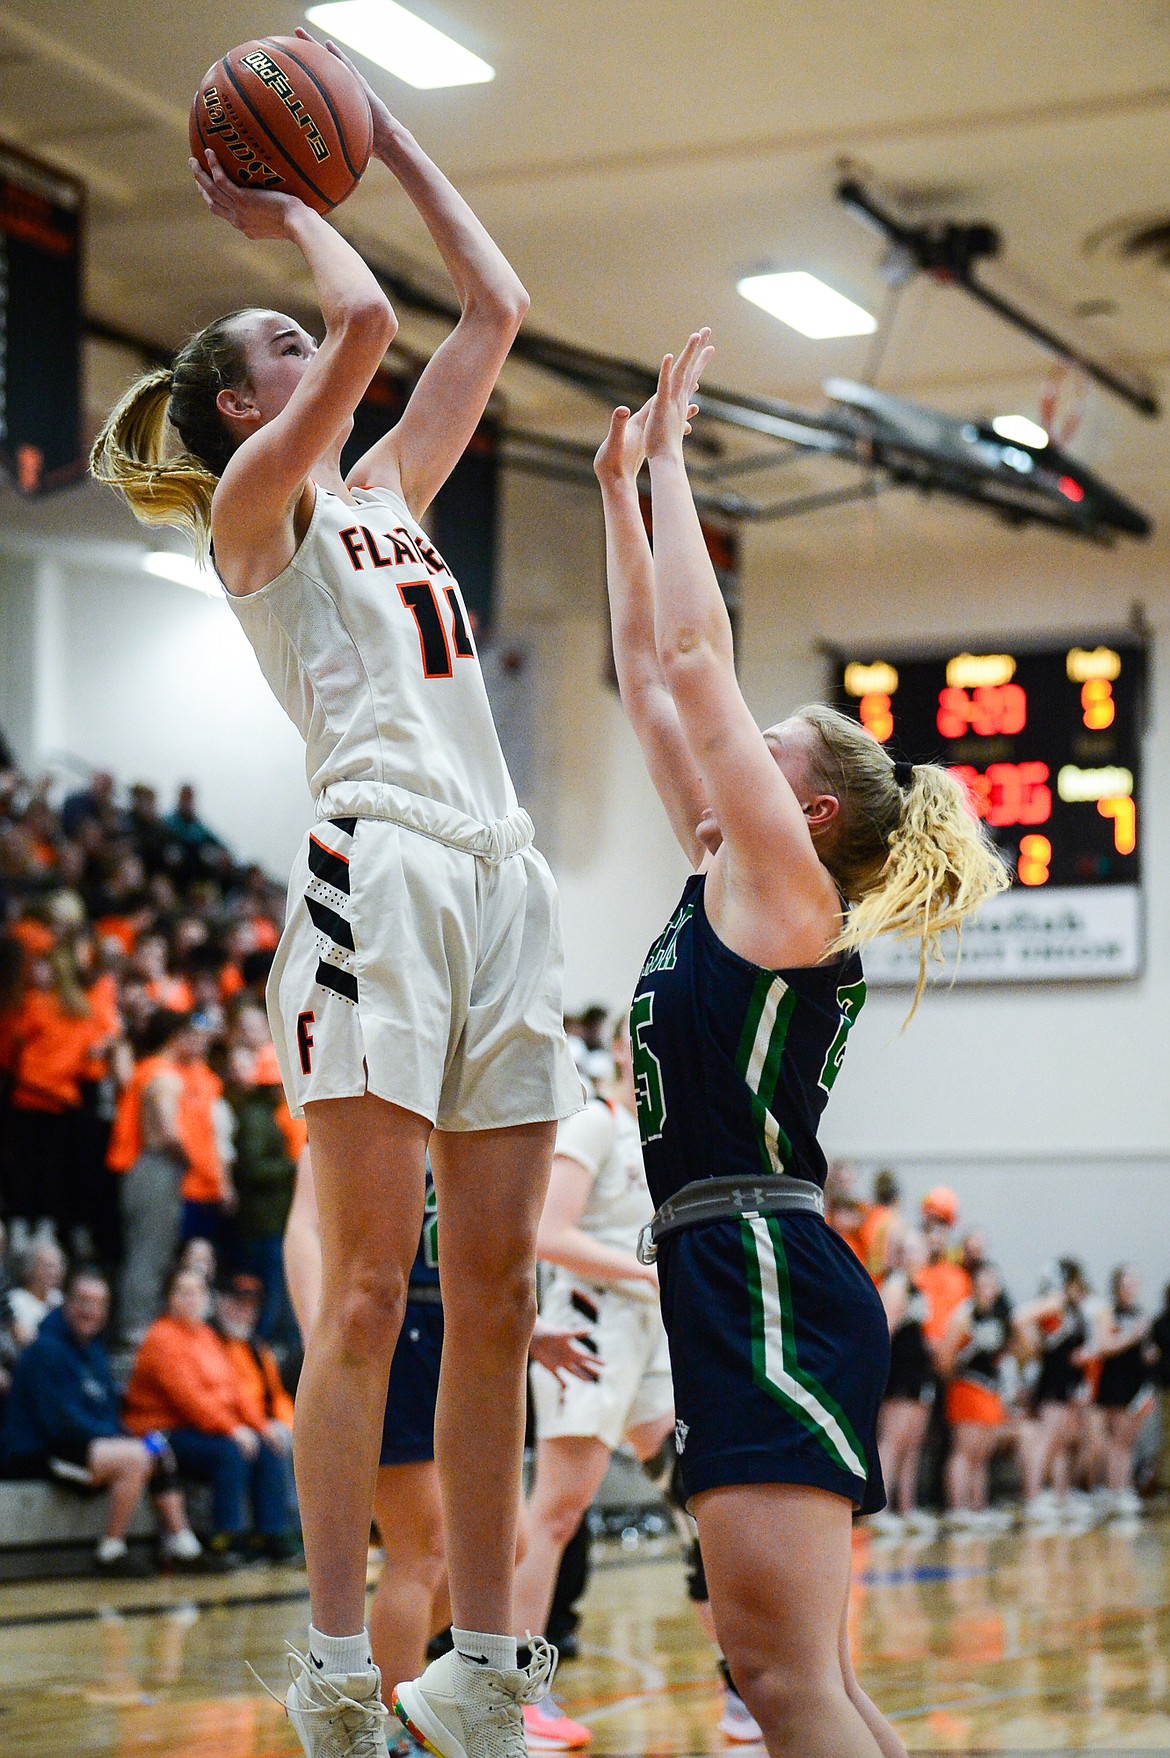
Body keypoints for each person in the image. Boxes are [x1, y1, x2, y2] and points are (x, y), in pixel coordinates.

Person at [92, 35, 582, 1751]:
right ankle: (327, 1662)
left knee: (502, 1295)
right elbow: (370, 326)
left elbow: (492, 309)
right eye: (277, 351)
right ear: (242, 401)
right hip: (374, 861)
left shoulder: (386, 496)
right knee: (370, 1288)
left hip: (501, 869)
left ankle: (491, 1656)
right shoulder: (258, 510)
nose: (317, 349)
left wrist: (394, 144)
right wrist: (298, 205)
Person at [594, 330, 1007, 1758]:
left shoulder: (788, 892)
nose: (731, 745)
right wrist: (614, 499)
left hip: (756, 1265)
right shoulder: (724, 873)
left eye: (764, 744)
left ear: (812, 809)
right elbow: (654, 683)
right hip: (734, 1263)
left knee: (780, 1686)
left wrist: (672, 467)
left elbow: (696, 653)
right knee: (804, 1679)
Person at [282, 1151, 599, 1738]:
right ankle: (389, 1730)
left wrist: (528, 1331)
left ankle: (381, 1685)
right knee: (423, 1549)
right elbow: (303, 1226)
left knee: (509, 1542)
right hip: (390, 1333)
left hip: (455, 1331)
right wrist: (322, 1339)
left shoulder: (468, 1098)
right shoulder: (369, 1093)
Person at [515, 1015, 674, 1750]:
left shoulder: (664, 1139)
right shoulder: (595, 1122)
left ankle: (748, 1679)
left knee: (691, 1486)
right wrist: (647, 1272)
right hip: (590, 1321)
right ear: (620, 1048)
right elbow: (548, 1232)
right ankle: (508, 1688)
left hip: (645, 1330)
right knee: (556, 1511)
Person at [0, 1268, 210, 1575]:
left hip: (83, 1444)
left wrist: (123, 1436)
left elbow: (107, 1410)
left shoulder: (95, 1350)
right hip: (39, 1451)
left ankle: (182, 1544)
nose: (90, 1311)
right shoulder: (46, 1349)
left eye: (98, 1303)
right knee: (137, 1455)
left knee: (158, 1447)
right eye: (83, 1301)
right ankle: (111, 1551)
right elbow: (61, 1425)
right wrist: (119, 1440)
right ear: (67, 1303)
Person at [123, 1267, 293, 1559]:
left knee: (266, 1446)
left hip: (202, 1428)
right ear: (169, 1298)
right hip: (161, 1432)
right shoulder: (161, 1337)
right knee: (231, 1451)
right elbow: (190, 1400)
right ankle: (227, 1537)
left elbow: (236, 1391)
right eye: (183, 1292)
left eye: (198, 1292)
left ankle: (270, 1534)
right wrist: (232, 1429)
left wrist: (260, 1427)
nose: (192, 1298)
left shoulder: (207, 1336)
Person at [211, 1273, 299, 1558]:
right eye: (240, 1305)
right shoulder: (212, 1343)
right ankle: (279, 1531)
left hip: (261, 1424)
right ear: (221, 1304)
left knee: (292, 1439)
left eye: (252, 1306)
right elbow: (228, 1396)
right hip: (230, 1425)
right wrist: (263, 1427)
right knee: (270, 1445)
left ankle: (280, 1532)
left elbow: (277, 1396)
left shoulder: (257, 1347)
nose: (246, 1312)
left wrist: (289, 1424)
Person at [1017, 1259, 1096, 1526]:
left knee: (1061, 1443)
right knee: (1045, 1441)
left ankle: (1060, 1497)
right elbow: (1019, 1318)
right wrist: (1032, 1348)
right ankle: (1033, 1498)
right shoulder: (1055, 1301)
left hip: (1068, 1385)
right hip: (1052, 1382)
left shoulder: (1072, 1309)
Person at [938, 1262, 1014, 1530]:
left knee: (981, 1454)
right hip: (967, 1386)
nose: (988, 1289)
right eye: (982, 1284)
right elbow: (944, 1358)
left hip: (990, 1389)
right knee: (964, 1451)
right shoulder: (965, 1314)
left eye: (992, 1284)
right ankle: (958, 1509)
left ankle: (977, 1507)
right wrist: (957, 1377)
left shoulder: (998, 1316)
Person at [872, 1231, 936, 1536]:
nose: (913, 1255)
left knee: (911, 1445)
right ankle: (881, 1511)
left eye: (917, 1249)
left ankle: (906, 1508)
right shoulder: (897, 1283)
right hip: (900, 1375)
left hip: (918, 1375)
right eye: (907, 1249)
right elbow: (884, 1330)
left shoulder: (917, 1286)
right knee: (893, 1441)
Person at [1093, 1265, 1155, 1518]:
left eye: (1134, 1284)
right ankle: (1114, 1489)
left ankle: (1122, 1488)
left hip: (1135, 1383)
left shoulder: (1140, 1313)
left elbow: (1144, 1347)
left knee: (1128, 1442)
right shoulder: (1109, 1313)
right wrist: (1131, 1337)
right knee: (1117, 1441)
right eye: (1125, 1285)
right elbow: (1104, 1346)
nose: (1130, 1290)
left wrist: (1150, 1353)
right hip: (1115, 1383)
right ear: (1117, 1288)